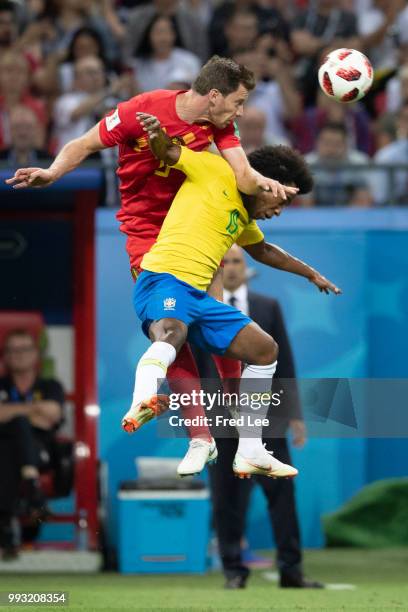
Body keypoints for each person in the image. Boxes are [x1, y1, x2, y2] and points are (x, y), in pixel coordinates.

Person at [6, 56, 299, 477]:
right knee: (171, 325)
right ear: (213, 95)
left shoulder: (222, 126)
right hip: (147, 232)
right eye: (236, 102)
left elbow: (245, 175)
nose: (240, 112)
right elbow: (85, 144)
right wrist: (53, 172)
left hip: (194, 226)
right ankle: (200, 436)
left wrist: (273, 186)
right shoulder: (138, 110)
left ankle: (241, 433)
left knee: (222, 319)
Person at [120, 111, 341, 480]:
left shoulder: (244, 218)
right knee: (173, 334)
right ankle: (143, 398)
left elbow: (265, 252)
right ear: (268, 182)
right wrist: (158, 135)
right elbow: (169, 154)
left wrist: (310, 273)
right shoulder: (214, 169)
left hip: (199, 299)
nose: (277, 212)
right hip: (162, 281)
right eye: (280, 202)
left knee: (265, 349)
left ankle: (251, 449)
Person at [193, 244, 323, 589]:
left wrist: (295, 415)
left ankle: (291, 571)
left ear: (245, 266)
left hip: (267, 418)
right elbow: (192, 367)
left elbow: (286, 362)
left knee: (282, 495)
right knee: (226, 499)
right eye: (225, 262)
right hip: (220, 419)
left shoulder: (268, 307)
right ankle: (234, 572)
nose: (231, 268)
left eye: (236, 261)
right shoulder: (202, 311)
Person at [0, 329, 65, 560]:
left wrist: (11, 413)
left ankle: (6, 525)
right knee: (8, 449)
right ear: (5, 356)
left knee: (14, 431)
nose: (19, 355)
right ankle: (32, 488)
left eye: (24, 349)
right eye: (13, 350)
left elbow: (53, 414)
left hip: (42, 451)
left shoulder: (50, 385)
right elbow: (42, 414)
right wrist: (34, 411)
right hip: (7, 451)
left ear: (35, 354)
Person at [302, 122, 373, 207]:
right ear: (317, 143)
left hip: (349, 217)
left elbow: (363, 202)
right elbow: (307, 206)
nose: (331, 149)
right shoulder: (307, 165)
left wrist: (341, 218)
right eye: (327, 143)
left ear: (346, 145)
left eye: (337, 144)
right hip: (318, 217)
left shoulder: (358, 163)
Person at [130, 14, 201, 93]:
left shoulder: (190, 61)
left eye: (167, 32)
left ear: (174, 35)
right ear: (149, 36)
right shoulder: (139, 65)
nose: (163, 38)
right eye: (158, 33)